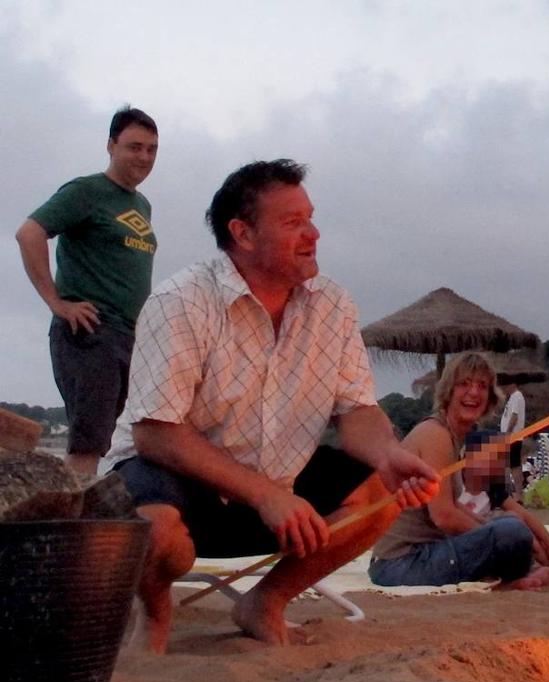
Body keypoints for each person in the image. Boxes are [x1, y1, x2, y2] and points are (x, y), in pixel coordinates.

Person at [105, 159, 440, 653]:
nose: (313, 233)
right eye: (293, 223)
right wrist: (263, 494)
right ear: (242, 233)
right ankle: (154, 614)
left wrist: (388, 454)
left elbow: (357, 413)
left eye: (310, 217)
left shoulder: (333, 305)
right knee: (154, 526)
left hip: (275, 489)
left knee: (378, 490)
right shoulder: (182, 301)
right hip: (182, 482)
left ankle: (266, 600)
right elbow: (155, 433)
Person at [16, 106, 160, 478]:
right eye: (134, 147)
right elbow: (29, 232)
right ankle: (72, 532)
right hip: (90, 333)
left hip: (128, 337)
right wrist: (56, 302)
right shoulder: (87, 191)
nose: (143, 157)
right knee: (88, 442)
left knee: (122, 438)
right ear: (111, 146)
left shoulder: (141, 205)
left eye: (151, 149)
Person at [370, 353, 549, 589]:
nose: (474, 393)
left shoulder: (452, 438)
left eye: (482, 386)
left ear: (490, 397)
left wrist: (497, 531)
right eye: (464, 384)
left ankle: (514, 574)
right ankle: (513, 579)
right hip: (402, 564)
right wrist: (495, 537)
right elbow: (444, 516)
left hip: (411, 559)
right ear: (449, 392)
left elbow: (455, 506)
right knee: (511, 530)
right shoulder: (435, 434)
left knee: (511, 523)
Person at [460, 430, 549, 574]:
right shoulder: (454, 486)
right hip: (460, 543)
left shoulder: (491, 489)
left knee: (517, 519)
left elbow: (526, 516)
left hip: (483, 540)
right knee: (512, 522)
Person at [498, 374, 527, 494]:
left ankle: (518, 495)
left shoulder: (517, 396)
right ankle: (508, 493)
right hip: (509, 436)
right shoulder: (512, 398)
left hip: (513, 436)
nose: (505, 388)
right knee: (509, 465)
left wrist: (508, 432)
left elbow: (514, 416)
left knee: (514, 465)